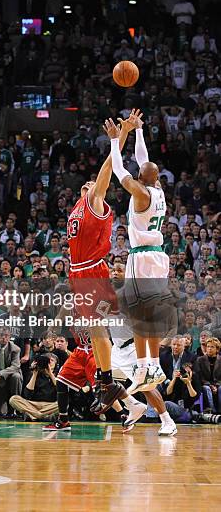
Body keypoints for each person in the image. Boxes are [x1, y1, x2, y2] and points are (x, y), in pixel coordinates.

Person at [44, 111, 141, 431]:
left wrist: (120, 136)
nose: (89, 183)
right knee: (96, 329)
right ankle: (108, 385)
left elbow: (109, 168)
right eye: (87, 184)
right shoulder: (78, 207)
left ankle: (107, 383)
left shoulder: (95, 203)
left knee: (99, 330)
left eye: (92, 183)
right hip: (80, 273)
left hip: (92, 272)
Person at [108, 113, 170, 393]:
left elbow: (120, 172)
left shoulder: (141, 193)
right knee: (150, 311)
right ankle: (150, 366)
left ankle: (148, 366)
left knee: (138, 312)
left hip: (142, 255)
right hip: (159, 255)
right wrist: (140, 132)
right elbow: (143, 159)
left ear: (142, 177)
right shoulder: (158, 190)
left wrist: (114, 141)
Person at [109, 264, 178, 436]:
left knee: (146, 386)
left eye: (119, 270)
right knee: (103, 380)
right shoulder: (109, 295)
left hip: (134, 348)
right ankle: (134, 406)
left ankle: (167, 420)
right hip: (117, 349)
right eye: (113, 270)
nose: (115, 273)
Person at [9, 353, 58, 420]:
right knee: (13, 399)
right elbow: (27, 395)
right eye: (46, 360)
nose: (48, 363)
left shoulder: (59, 375)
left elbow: (60, 390)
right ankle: (41, 416)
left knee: (64, 404)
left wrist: (50, 373)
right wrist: (34, 374)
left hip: (50, 405)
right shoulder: (34, 373)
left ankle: (33, 415)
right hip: (32, 404)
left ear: (56, 364)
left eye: (51, 360)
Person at [195, 337, 221, 413]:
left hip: (218, 385)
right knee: (206, 388)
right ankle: (212, 411)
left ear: (217, 349)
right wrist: (210, 385)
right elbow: (199, 376)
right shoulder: (200, 360)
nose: (209, 349)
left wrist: (216, 385)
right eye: (208, 346)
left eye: (212, 347)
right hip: (205, 384)